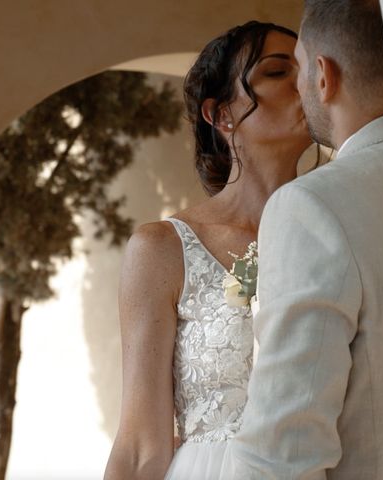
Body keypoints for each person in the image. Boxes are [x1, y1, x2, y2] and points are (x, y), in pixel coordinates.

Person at [103, 21, 313, 480]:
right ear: (220, 115)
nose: (304, 81)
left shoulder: (331, 234)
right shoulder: (162, 250)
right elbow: (141, 446)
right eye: (278, 72)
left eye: (308, 67)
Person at [220, 1, 383, 479]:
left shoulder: (312, 208)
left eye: (296, 68)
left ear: (323, 77)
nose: (294, 88)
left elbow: (282, 453)